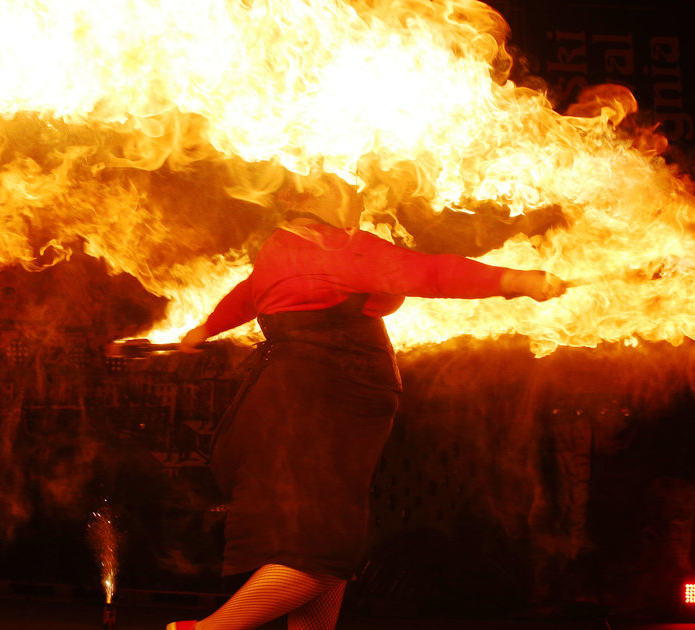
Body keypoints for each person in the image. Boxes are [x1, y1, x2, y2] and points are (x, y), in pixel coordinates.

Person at [167, 173, 566, 630]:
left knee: (327, 545)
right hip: (325, 400)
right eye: (350, 191)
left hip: (294, 400)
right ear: (318, 197)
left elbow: (248, 295)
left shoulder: (282, 246)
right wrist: (514, 279)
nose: (359, 201)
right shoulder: (336, 247)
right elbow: (431, 273)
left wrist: (204, 329)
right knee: (319, 551)